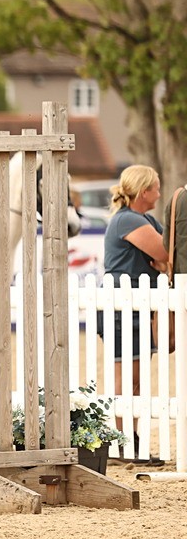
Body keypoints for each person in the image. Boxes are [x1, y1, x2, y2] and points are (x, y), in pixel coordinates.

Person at [99, 165, 169, 464]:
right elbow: (166, 254)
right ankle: (121, 439)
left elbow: (168, 256)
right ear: (144, 192)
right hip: (123, 308)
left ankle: (130, 437)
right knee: (128, 377)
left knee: (136, 378)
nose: (159, 193)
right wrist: (162, 262)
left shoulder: (144, 219)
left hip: (136, 307)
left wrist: (164, 262)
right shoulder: (128, 219)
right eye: (156, 188)